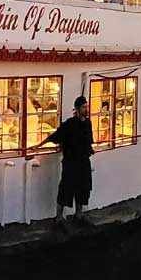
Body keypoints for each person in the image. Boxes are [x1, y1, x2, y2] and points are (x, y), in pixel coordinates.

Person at [29, 95, 94, 226]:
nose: (86, 109)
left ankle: (78, 214)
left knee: (83, 188)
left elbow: (88, 140)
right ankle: (59, 216)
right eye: (83, 107)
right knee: (66, 188)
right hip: (71, 162)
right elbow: (54, 136)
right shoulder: (69, 124)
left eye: (86, 106)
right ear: (77, 109)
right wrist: (38, 145)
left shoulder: (88, 123)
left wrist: (90, 149)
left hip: (83, 161)